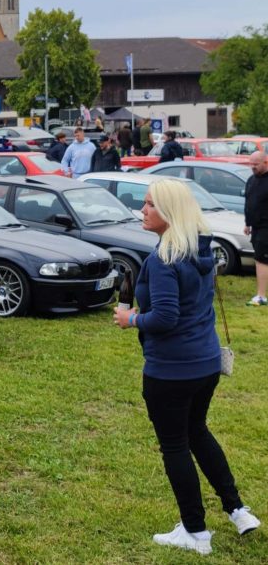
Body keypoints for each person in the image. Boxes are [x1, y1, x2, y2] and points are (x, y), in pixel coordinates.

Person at [114, 179, 260, 556]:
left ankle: (195, 532)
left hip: (171, 369)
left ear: (171, 212)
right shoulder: (199, 249)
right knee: (197, 431)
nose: (142, 210)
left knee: (176, 445)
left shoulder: (165, 258)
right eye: (144, 204)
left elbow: (164, 317)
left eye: (150, 204)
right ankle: (237, 509)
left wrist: (129, 319)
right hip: (205, 363)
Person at [243, 151, 268, 305]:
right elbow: (249, 203)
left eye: (256, 164)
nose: (252, 167)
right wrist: (247, 223)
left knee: (261, 259)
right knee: (260, 258)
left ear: (265, 162)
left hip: (267, 226)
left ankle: (261, 296)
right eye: (250, 164)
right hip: (256, 226)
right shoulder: (251, 180)